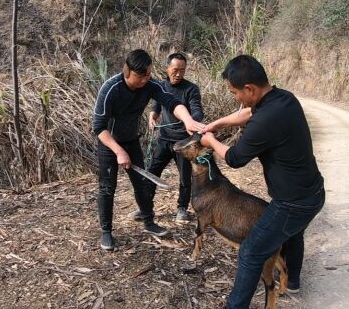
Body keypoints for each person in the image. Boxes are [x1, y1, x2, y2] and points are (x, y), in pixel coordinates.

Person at [200, 55, 325, 308]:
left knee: (250, 252)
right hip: (313, 192)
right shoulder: (283, 99)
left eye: (235, 92)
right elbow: (248, 112)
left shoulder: (265, 121)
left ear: (250, 89)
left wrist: (210, 142)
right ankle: (293, 281)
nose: (236, 98)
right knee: (293, 233)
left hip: (293, 203)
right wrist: (216, 123)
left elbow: (234, 158)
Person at [93, 49, 204, 251]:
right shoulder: (111, 88)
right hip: (109, 144)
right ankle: (107, 231)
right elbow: (99, 127)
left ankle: (149, 221)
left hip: (132, 141)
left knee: (142, 184)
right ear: (127, 71)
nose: (145, 80)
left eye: (148, 75)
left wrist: (188, 119)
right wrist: (118, 151)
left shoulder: (150, 86)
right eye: (141, 76)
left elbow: (172, 102)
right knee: (107, 187)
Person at [129, 53, 203, 223]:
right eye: (175, 70)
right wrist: (152, 116)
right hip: (164, 139)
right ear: (167, 68)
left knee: (185, 176)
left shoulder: (191, 89)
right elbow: (157, 106)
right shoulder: (160, 86)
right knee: (152, 172)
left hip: (184, 142)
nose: (178, 74)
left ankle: (182, 208)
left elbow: (197, 110)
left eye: (182, 71)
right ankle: (145, 207)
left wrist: (191, 121)